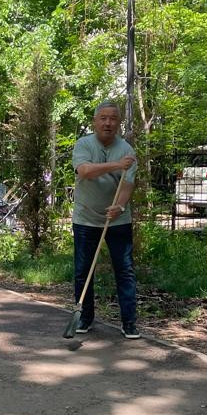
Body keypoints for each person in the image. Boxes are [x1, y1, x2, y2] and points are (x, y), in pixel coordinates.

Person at [71, 101, 139, 338]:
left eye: (113, 118)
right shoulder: (83, 145)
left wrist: (119, 206)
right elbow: (85, 172)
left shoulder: (127, 151)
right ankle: (84, 317)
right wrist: (117, 165)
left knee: (125, 270)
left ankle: (129, 322)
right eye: (103, 118)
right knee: (83, 270)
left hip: (117, 220)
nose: (108, 123)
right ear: (95, 121)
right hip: (85, 218)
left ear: (119, 122)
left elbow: (127, 185)